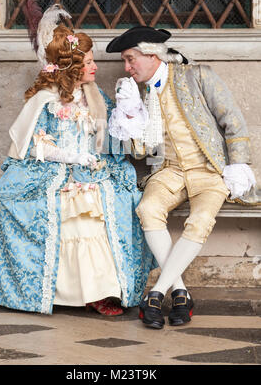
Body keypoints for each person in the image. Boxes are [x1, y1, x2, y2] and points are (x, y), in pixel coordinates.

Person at [0, 7, 155, 315]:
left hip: (93, 169)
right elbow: (35, 144)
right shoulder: (45, 100)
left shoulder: (97, 95)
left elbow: (115, 135)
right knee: (68, 205)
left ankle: (103, 291)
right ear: (71, 67)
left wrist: (130, 115)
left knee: (110, 198)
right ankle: (66, 293)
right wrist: (72, 156)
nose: (95, 67)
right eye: (88, 62)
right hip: (55, 170)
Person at [106, 26, 261, 329]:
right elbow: (139, 154)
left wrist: (238, 165)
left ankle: (157, 293)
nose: (126, 68)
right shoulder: (139, 96)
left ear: (151, 54)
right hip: (169, 171)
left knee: (200, 220)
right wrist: (128, 117)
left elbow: (234, 121)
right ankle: (180, 293)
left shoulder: (197, 76)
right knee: (147, 209)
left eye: (129, 59)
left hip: (210, 170)